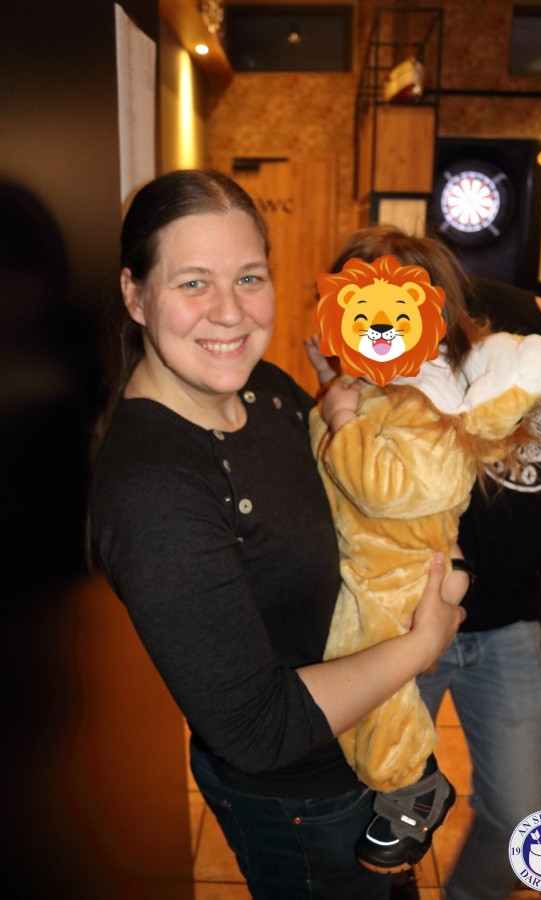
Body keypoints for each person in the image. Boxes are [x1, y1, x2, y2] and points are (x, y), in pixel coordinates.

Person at [90, 169, 465, 900]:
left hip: (364, 758)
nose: (230, 312)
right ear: (135, 295)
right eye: (193, 283)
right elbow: (256, 729)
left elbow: (348, 486)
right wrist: (420, 645)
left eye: (249, 277)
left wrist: (351, 394)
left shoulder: (262, 388)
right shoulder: (153, 491)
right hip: (303, 802)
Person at [305, 233, 541, 876]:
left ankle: (412, 785)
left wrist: (342, 420)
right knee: (356, 690)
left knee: (370, 692)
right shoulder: (381, 383)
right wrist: (335, 387)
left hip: (399, 584)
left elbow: (398, 488)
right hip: (374, 573)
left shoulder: (430, 398)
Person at [415, 217, 541, 900]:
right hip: (418, 602)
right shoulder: (493, 306)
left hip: (511, 620)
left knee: (520, 819)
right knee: (380, 799)